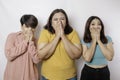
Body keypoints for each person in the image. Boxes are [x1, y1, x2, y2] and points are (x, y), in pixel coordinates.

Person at [37, 9, 82, 80]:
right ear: (51, 22)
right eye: (55, 19)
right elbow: (41, 55)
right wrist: (57, 36)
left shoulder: (73, 33)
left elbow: (76, 55)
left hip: (70, 77)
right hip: (48, 77)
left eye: (62, 19)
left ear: (66, 22)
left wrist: (63, 36)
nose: (59, 22)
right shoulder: (45, 32)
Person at [4, 14, 41, 80]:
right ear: (22, 26)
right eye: (27, 26)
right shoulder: (12, 36)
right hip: (13, 76)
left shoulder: (37, 41)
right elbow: (9, 55)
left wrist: (31, 42)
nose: (30, 30)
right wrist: (25, 42)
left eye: (32, 27)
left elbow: (37, 60)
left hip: (30, 77)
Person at [80, 16, 114, 80]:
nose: (96, 26)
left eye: (99, 24)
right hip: (88, 72)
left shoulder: (108, 39)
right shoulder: (84, 40)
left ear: (101, 27)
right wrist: (94, 40)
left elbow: (110, 57)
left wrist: (98, 40)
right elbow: (87, 59)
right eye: (93, 24)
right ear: (88, 27)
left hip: (103, 72)